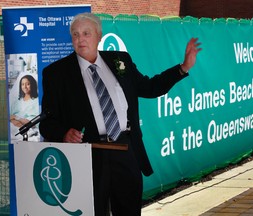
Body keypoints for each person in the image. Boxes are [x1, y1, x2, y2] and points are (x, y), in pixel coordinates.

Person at [39, 12, 201, 216]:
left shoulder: (119, 60)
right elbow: (46, 122)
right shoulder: (56, 73)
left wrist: (183, 67)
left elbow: (150, 87)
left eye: (86, 33)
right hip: (88, 155)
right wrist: (64, 133)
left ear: (99, 36)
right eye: (75, 34)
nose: (80, 39)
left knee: (129, 210)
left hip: (125, 149)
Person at [10, 74, 39, 140]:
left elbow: (33, 123)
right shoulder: (17, 102)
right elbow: (10, 117)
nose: (25, 87)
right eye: (22, 84)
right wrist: (15, 121)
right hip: (13, 128)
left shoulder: (36, 102)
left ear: (33, 85)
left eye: (27, 84)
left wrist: (16, 118)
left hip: (28, 130)